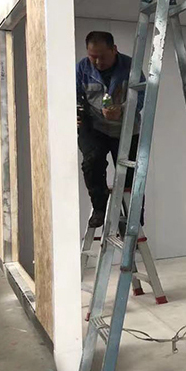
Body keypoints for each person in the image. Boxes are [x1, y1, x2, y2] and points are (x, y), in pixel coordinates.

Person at [76, 31, 145, 228]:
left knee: (131, 174)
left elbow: (142, 96)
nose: (98, 62)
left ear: (114, 49)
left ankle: (133, 220)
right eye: (93, 57)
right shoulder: (82, 68)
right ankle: (100, 208)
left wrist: (122, 110)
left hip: (126, 128)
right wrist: (75, 114)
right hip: (94, 127)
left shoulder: (131, 67)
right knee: (92, 162)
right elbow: (74, 94)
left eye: (102, 57)